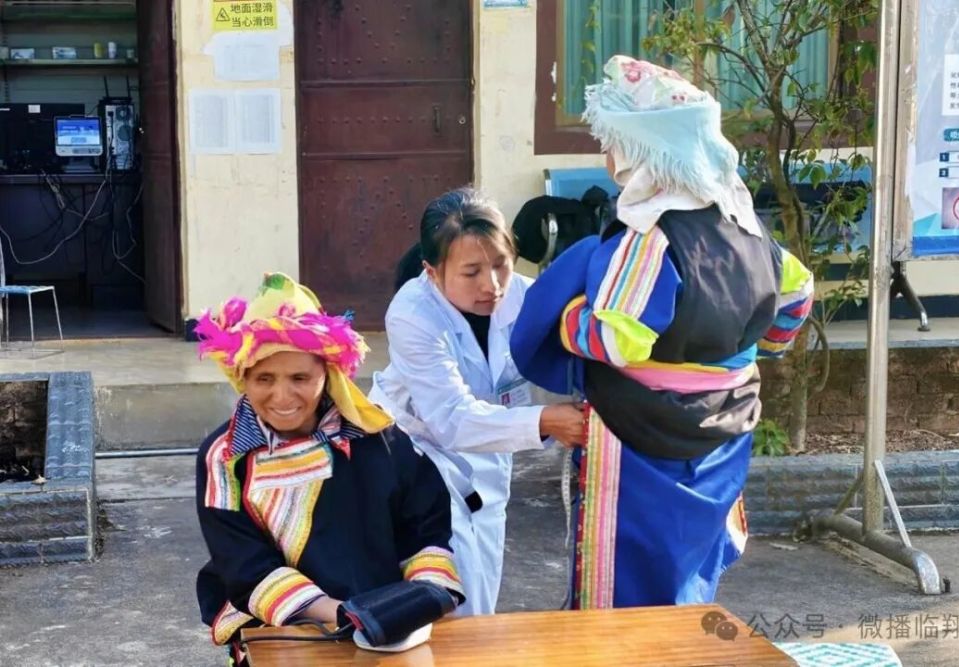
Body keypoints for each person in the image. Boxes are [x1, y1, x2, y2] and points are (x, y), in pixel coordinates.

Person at [510, 56, 815, 609]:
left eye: (611, 144)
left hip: (639, 436)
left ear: (637, 153)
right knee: (690, 570)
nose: (607, 156)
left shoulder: (647, 238)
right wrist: (746, 349)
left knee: (625, 580)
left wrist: (567, 316)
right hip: (725, 428)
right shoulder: (746, 228)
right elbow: (796, 298)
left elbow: (618, 341)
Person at [193, 272, 464, 665]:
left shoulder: (378, 436)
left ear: (329, 374)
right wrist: (345, 615)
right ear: (243, 378)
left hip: (387, 630)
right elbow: (244, 564)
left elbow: (425, 525)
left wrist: (421, 600)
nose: (282, 396)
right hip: (282, 630)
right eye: (264, 378)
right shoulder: (224, 457)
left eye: (300, 377)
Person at [369, 187, 586, 616]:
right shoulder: (412, 313)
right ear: (433, 272)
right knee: (446, 598)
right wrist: (546, 421)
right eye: (471, 273)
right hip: (416, 454)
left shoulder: (527, 298)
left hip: (487, 460)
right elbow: (450, 418)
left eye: (501, 264)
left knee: (482, 598)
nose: (491, 285)